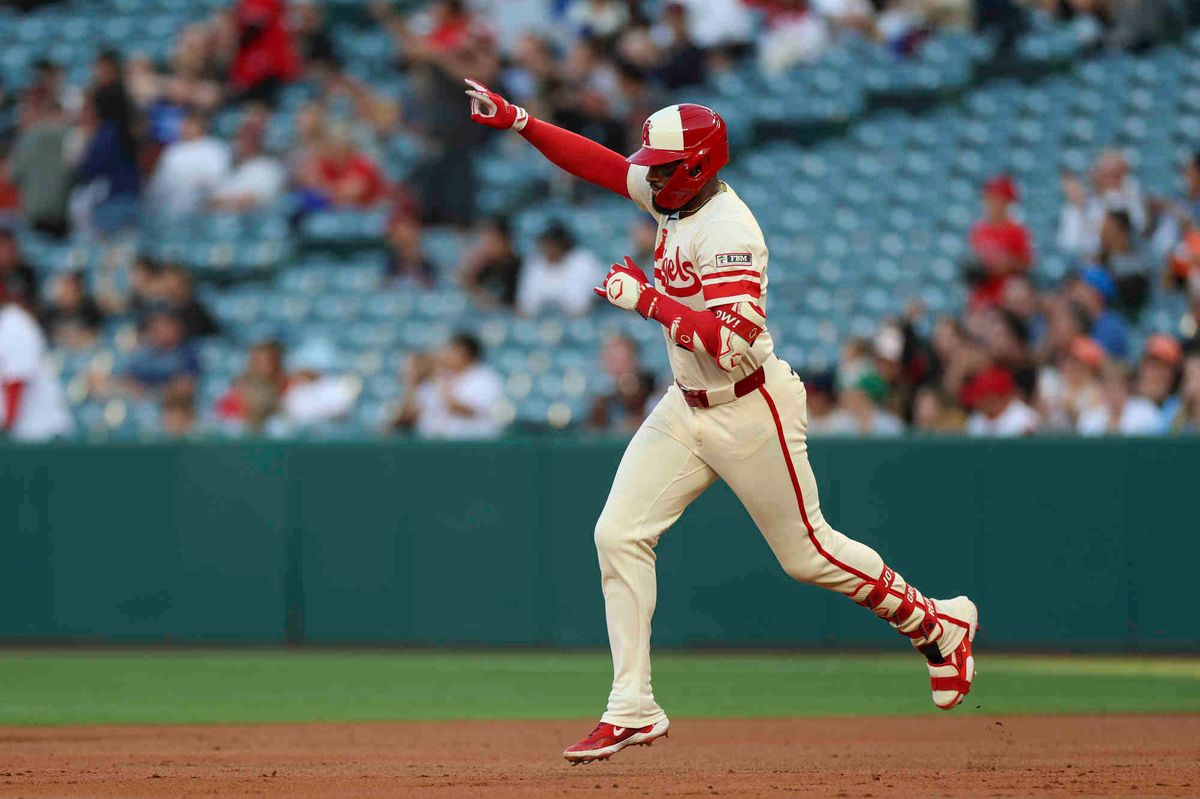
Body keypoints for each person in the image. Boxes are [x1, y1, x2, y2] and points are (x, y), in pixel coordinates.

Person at [465, 81, 979, 764]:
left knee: (809, 555)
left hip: (748, 403)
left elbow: (734, 341)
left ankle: (937, 622)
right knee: (618, 533)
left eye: (664, 162)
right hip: (687, 403)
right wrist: (522, 120)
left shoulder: (731, 229)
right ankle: (632, 705)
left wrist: (646, 301)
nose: (649, 169)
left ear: (699, 167)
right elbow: (600, 164)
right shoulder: (673, 190)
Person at [390, 333, 505, 440]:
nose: (444, 354)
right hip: (434, 445)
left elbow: (462, 410)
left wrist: (439, 379)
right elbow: (411, 415)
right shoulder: (436, 378)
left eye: (450, 350)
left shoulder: (484, 378)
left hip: (471, 445)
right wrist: (411, 381)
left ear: (464, 353)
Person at [0, 274, 74, 441]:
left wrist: (5, 429)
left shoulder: (14, 325)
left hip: (42, 434)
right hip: (24, 436)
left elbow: (16, 381)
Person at [146, 112, 232, 219]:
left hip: (204, 211)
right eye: (184, 125)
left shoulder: (215, 149)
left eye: (190, 125)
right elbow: (159, 183)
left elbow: (219, 179)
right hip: (172, 211)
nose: (185, 128)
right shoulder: (172, 151)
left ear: (202, 127)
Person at [966, 175, 1032, 310]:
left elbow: (1027, 263)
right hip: (982, 294)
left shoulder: (1017, 231)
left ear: (1007, 202)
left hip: (1006, 297)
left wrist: (1006, 263)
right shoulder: (978, 230)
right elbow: (972, 261)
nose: (990, 203)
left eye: (996, 198)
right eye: (988, 198)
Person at [515, 220, 600, 317]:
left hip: (582, 322)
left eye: (551, 244)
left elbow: (582, 306)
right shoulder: (534, 262)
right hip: (540, 324)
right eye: (545, 244)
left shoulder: (583, 261)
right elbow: (524, 306)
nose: (547, 248)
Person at [587, 334, 658, 433]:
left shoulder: (654, 387)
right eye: (612, 360)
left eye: (622, 359)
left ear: (635, 359)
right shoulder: (602, 400)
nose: (617, 366)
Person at [963, 365, 1040, 436]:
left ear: (1000, 397)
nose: (977, 402)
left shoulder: (1024, 417)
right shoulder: (976, 418)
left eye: (982, 397)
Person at [41, 271, 104, 349]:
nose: (66, 293)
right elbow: (45, 337)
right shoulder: (49, 313)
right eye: (64, 288)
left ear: (79, 291)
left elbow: (97, 335)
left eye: (71, 288)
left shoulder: (90, 310)